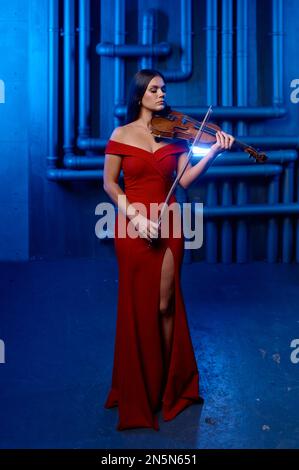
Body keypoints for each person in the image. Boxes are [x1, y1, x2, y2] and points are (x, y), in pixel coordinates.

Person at [103, 69, 234, 431]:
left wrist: (211, 155)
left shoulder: (174, 133)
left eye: (163, 88)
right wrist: (133, 216)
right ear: (140, 94)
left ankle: (166, 385)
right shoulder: (121, 134)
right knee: (136, 305)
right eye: (154, 89)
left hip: (170, 225)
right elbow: (110, 184)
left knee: (165, 303)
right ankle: (137, 386)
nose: (162, 94)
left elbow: (185, 180)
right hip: (131, 226)